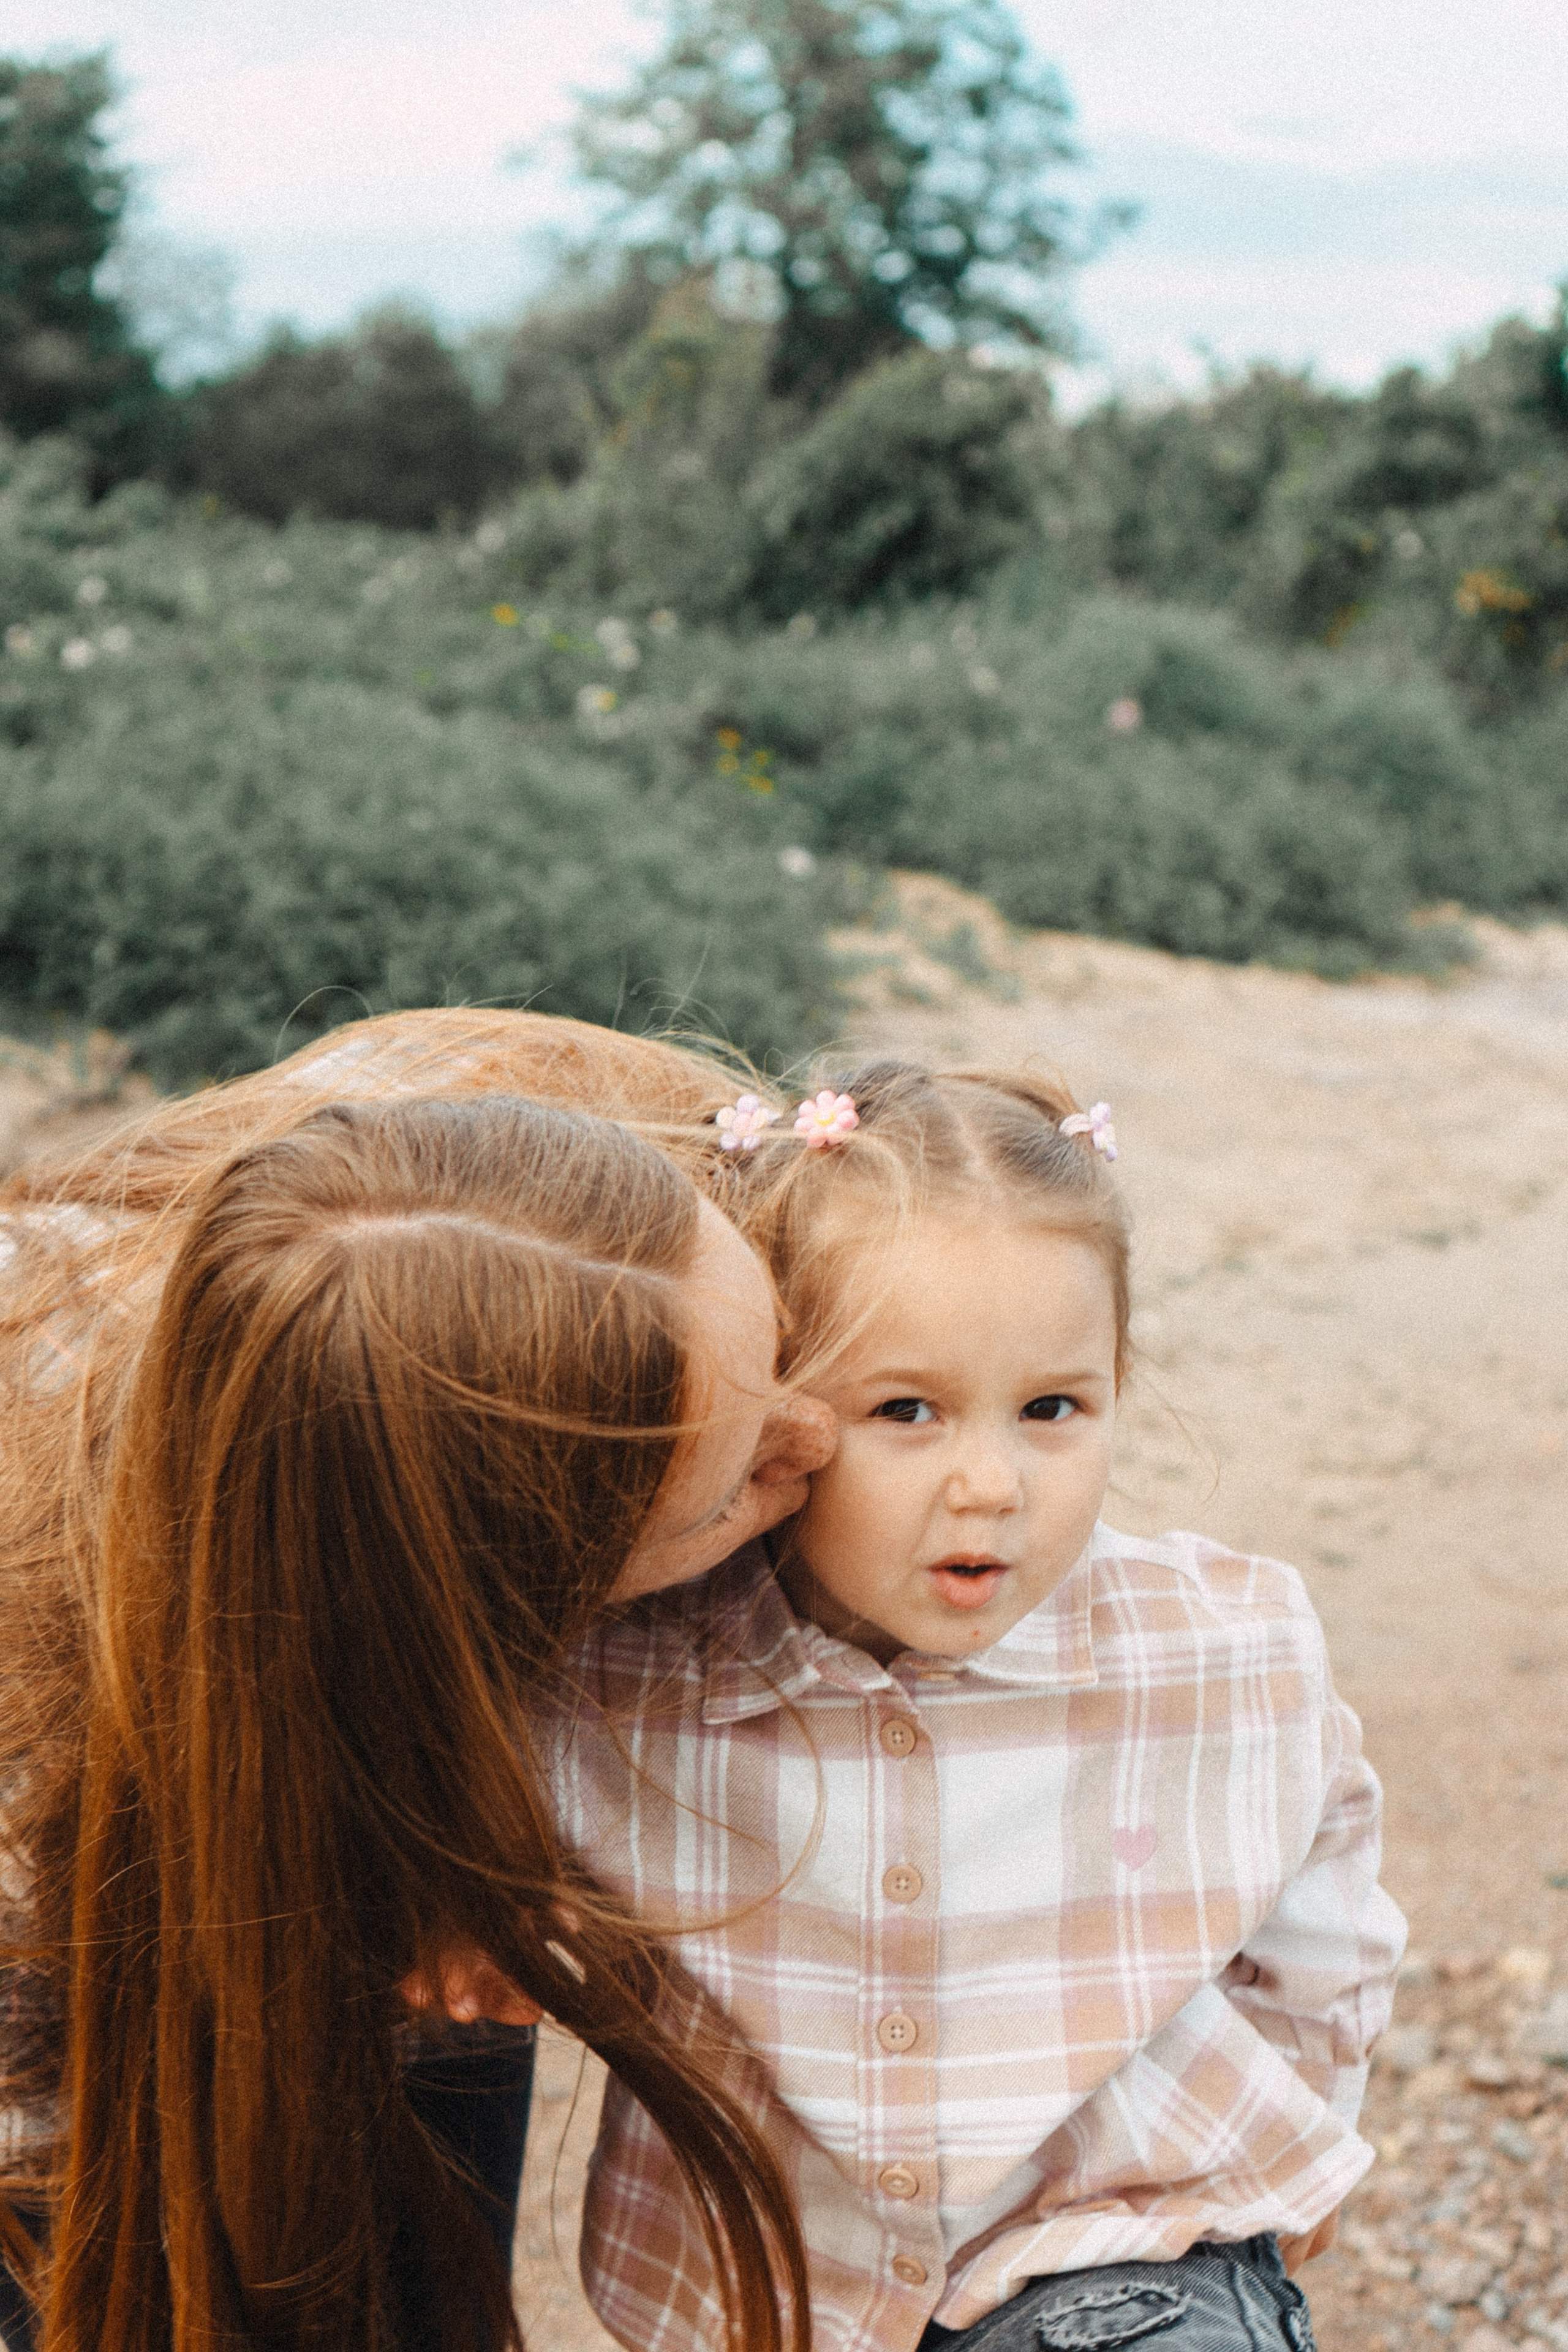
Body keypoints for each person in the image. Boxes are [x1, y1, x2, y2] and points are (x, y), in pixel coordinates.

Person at [0, 1015, 836, 2352]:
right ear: (488, 1603)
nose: (821, 1438)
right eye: (733, 1480)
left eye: (784, 1345)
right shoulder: (45, 1779)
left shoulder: (553, 1145)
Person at [549, 1060, 1408, 2352]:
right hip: (769, 2292)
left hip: (1122, 2236)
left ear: (1117, 1378)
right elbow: (454, 1769)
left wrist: (1309, 2111)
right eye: (907, 1411)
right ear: (775, 1415)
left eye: (1051, 1408)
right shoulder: (632, 1673)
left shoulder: (1219, 1646)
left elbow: (1324, 1901)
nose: (991, 1482)